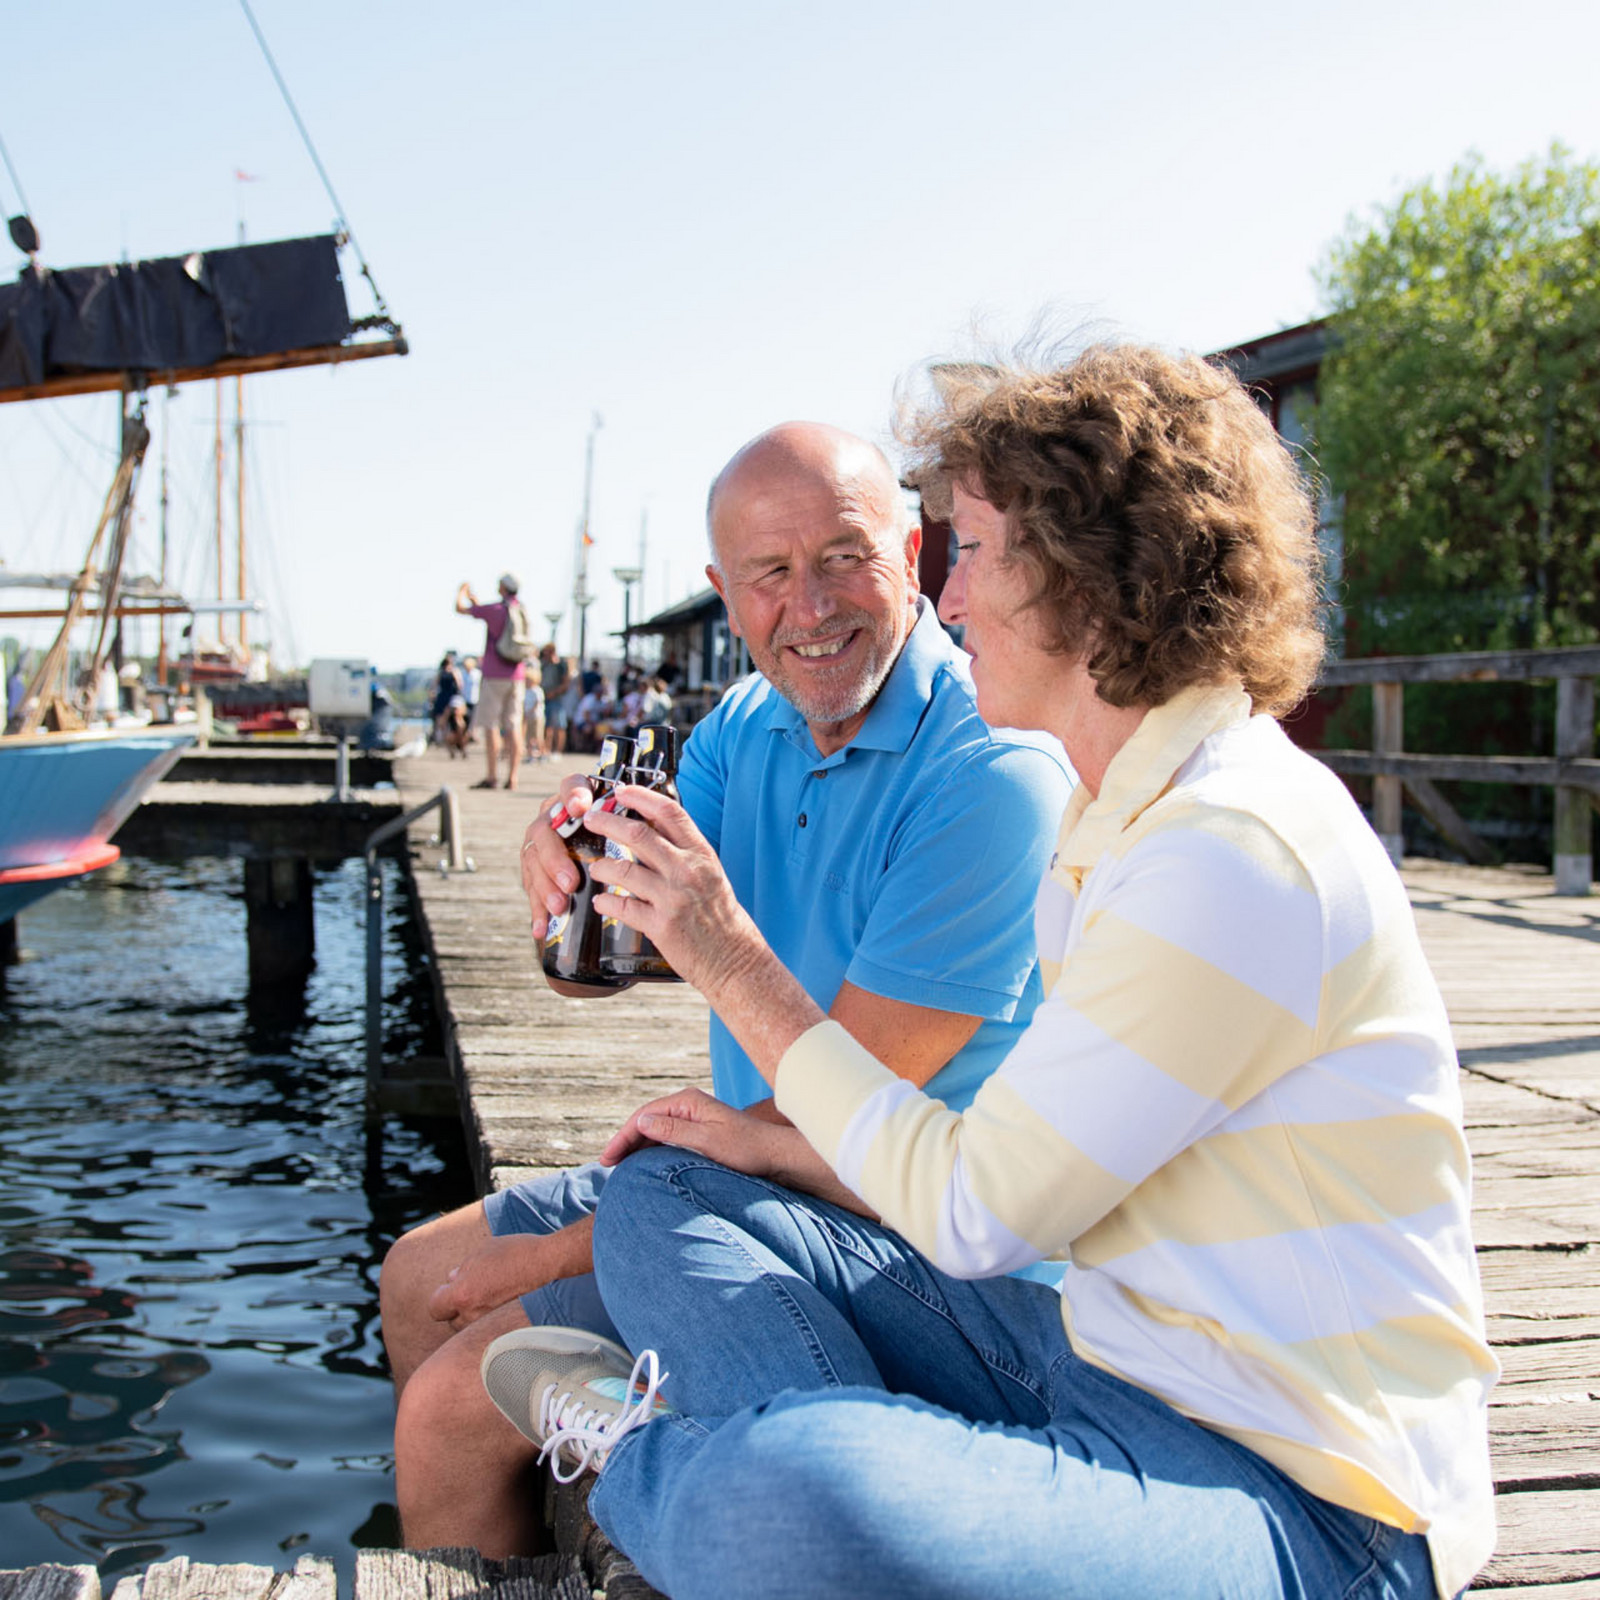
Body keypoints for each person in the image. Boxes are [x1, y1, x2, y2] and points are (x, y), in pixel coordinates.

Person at [482, 347, 1498, 1600]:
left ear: (1088, 577)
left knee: (789, 1505)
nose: (946, 598)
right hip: (1102, 1368)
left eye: (967, 550)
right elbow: (1006, 1174)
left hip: (1316, 1499)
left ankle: (667, 1460)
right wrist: (745, 1133)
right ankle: (816, 1478)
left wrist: (730, 957)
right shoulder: (1120, 812)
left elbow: (978, 1214)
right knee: (662, 1192)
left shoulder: (1226, 850)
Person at [380, 421, 1074, 1556]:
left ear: (911, 551)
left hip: (921, 1244)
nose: (811, 606)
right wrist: (565, 880)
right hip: (736, 1181)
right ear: (722, 590)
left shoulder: (993, 772)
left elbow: (842, 1116)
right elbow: (606, 968)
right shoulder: (744, 726)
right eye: (769, 573)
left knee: (451, 1408)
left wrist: (558, 1250)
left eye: (844, 557)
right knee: (418, 1273)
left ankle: (658, 1468)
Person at [455, 578, 524, 790]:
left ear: (502, 588)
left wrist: (462, 591)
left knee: (491, 725)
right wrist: (475, 601)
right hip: (517, 674)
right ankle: (513, 777)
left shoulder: (495, 610)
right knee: (514, 726)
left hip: (495, 675)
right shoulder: (520, 610)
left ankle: (492, 776)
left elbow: (460, 609)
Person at [537, 644, 570, 757]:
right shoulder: (543, 665)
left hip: (556, 699)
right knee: (546, 727)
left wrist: (554, 693)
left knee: (559, 726)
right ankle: (546, 749)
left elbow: (566, 683)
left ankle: (558, 751)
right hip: (544, 698)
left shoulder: (561, 665)